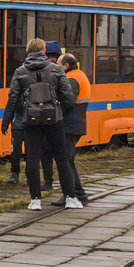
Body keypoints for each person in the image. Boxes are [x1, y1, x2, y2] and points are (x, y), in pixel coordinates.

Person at [2, 37, 80, 210]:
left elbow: (13, 99)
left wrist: (8, 120)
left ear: (27, 52)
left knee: (32, 159)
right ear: (44, 51)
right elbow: (68, 97)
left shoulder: (20, 71)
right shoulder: (56, 70)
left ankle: (35, 200)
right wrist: (58, 111)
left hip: (30, 122)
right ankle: (70, 197)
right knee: (61, 158)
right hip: (55, 121)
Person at [53, 53, 91, 206]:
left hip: (69, 125)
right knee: (68, 160)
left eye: (58, 64)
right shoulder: (79, 74)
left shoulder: (71, 79)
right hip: (76, 124)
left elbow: (67, 102)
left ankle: (70, 194)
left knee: (65, 160)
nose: (56, 67)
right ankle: (78, 193)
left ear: (66, 66)